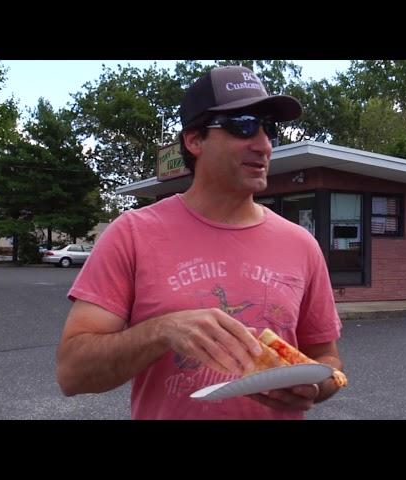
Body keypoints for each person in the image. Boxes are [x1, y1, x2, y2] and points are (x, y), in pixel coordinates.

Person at [56, 65, 344, 420]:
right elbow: (72, 372)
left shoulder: (301, 244)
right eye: (243, 126)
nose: (264, 144)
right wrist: (161, 330)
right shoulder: (132, 233)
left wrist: (315, 387)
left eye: (268, 128)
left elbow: (326, 359)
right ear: (194, 140)